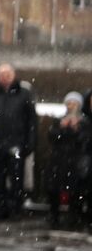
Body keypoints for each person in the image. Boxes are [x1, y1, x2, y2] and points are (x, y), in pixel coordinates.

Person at [0, 63, 36, 221]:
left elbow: (31, 121)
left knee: (17, 177)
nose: (5, 78)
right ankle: (0, 208)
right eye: (2, 75)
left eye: (8, 74)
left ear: (13, 75)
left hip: (17, 143)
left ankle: (16, 208)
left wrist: (30, 143)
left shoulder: (24, 93)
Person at [47, 92, 90, 229]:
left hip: (75, 161)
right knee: (54, 189)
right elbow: (52, 137)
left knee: (75, 190)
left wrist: (76, 129)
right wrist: (62, 128)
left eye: (74, 103)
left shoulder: (84, 122)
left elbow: (85, 140)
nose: (71, 106)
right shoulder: (59, 120)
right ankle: (54, 216)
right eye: (69, 103)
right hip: (58, 160)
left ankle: (73, 217)